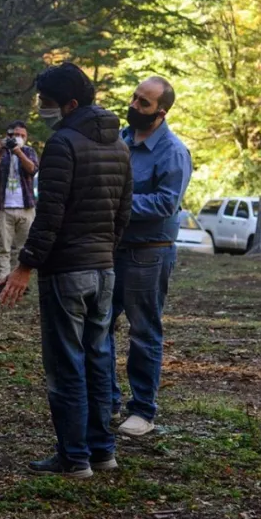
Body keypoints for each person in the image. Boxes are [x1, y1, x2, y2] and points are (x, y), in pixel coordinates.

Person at [0, 63, 133, 478]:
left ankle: (74, 456)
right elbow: (123, 211)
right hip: (104, 269)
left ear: (71, 104)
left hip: (68, 272)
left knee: (66, 365)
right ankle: (102, 450)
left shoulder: (63, 143)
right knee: (99, 359)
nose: (42, 108)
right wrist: (105, 252)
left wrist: (24, 266)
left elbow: (50, 214)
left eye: (48, 102)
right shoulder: (121, 145)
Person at [108, 76, 192, 437]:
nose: (134, 106)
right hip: (112, 248)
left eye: (144, 103)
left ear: (162, 111)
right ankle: (106, 400)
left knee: (143, 333)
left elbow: (165, 203)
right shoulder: (120, 140)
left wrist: (118, 203)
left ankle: (142, 411)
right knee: (99, 326)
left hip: (149, 253)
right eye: (134, 98)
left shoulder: (173, 151)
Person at [0, 121, 39, 294]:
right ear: (8, 135)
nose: (19, 138)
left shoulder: (29, 151)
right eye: (16, 135)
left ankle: (19, 283)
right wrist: (2, 150)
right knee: (3, 247)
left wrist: (18, 151)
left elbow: (32, 169)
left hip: (26, 207)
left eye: (23, 136)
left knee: (25, 248)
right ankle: (3, 281)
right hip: (3, 207)